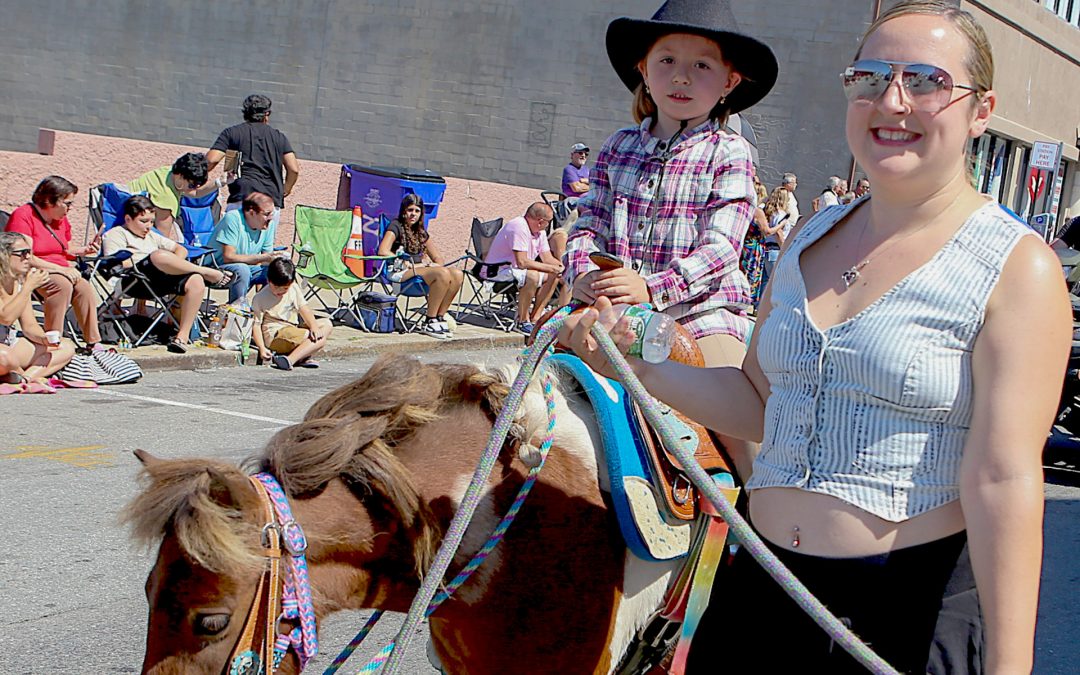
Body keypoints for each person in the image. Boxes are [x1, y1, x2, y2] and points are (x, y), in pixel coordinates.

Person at [561, 1, 1069, 672]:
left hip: (901, 615)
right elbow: (757, 400)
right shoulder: (807, 241)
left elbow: (1005, 480)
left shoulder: (1017, 266)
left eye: (926, 81)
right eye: (871, 78)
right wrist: (636, 361)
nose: (893, 100)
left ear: (981, 110)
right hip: (762, 595)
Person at [565, 0, 777, 368]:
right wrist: (582, 271)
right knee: (533, 375)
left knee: (733, 407)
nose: (681, 77)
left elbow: (722, 247)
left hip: (700, 313)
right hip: (612, 305)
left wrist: (652, 287)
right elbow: (589, 223)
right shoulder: (619, 145)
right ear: (644, 70)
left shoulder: (729, 151)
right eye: (667, 61)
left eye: (701, 65)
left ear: (729, 81)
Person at [102, 196, 234, 353]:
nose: (149, 227)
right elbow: (114, 263)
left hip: (160, 279)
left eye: (152, 221)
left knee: (195, 280)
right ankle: (206, 271)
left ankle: (182, 337)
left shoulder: (152, 236)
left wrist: (174, 263)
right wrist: (145, 258)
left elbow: (181, 249)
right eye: (143, 221)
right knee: (158, 255)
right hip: (135, 282)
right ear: (128, 219)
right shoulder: (116, 234)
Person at [4, 176, 103, 352]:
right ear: (50, 201)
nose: (70, 208)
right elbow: (27, 256)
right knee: (61, 285)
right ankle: (52, 338)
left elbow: (66, 248)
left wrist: (85, 250)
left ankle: (93, 342)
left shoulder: (60, 219)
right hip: (34, 269)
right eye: (67, 203)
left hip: (59, 267)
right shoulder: (24, 216)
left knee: (84, 287)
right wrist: (62, 269)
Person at [205, 94, 300, 230]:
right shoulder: (279, 137)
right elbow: (293, 169)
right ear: (266, 114)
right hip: (270, 201)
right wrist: (287, 188)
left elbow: (211, 159)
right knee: (264, 249)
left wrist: (197, 179)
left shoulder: (232, 133)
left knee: (233, 247)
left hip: (242, 197)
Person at [376, 194, 464, 339]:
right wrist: (402, 260)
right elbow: (383, 250)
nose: (413, 214)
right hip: (400, 272)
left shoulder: (421, 232)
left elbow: (438, 257)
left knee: (457, 274)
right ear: (404, 211)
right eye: (410, 210)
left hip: (419, 270)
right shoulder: (395, 226)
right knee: (441, 274)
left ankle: (439, 316)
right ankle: (429, 320)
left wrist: (434, 264)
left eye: (417, 211)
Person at [0, 232, 76, 394]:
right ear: (4, 256)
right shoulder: (22, 284)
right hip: (4, 351)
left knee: (66, 347)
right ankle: (17, 374)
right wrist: (28, 287)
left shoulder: (19, 282)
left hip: (8, 342)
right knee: (4, 356)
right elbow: (5, 317)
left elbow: (29, 326)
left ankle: (24, 379)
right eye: (23, 253)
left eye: (30, 252)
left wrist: (44, 339)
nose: (28, 257)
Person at [482, 202, 563, 334]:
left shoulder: (539, 232)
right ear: (540, 221)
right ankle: (521, 321)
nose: (549, 225)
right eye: (549, 222)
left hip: (516, 272)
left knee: (554, 275)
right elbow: (522, 262)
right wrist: (551, 268)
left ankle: (535, 318)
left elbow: (547, 258)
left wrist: (561, 267)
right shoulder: (518, 226)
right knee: (532, 275)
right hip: (496, 272)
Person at [250, 258, 332, 371]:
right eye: (276, 287)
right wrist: (262, 348)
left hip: (293, 330)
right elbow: (256, 325)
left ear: (292, 282)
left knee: (326, 324)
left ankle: (300, 356)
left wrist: (314, 326)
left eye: (284, 288)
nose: (279, 291)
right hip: (276, 335)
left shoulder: (294, 289)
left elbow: (304, 309)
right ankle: (291, 359)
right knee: (318, 339)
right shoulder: (260, 298)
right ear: (268, 280)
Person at [125, 152, 224, 241]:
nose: (193, 188)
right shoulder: (166, 200)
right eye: (191, 185)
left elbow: (195, 193)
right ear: (180, 176)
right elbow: (162, 239)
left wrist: (218, 183)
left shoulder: (166, 172)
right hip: (132, 237)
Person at [209, 191, 283, 303]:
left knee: (278, 271)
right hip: (216, 268)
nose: (271, 218)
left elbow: (265, 262)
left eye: (272, 214)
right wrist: (263, 258)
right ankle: (236, 311)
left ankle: (265, 308)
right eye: (267, 214)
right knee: (243, 269)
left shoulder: (268, 225)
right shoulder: (233, 219)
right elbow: (228, 257)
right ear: (251, 213)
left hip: (245, 269)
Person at [740, 177, 768, 309]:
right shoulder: (758, 211)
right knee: (753, 273)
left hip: (745, 242)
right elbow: (766, 230)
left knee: (743, 270)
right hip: (755, 244)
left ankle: (741, 297)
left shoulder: (745, 207)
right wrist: (781, 224)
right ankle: (748, 300)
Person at [779, 171, 800, 236]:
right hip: (786, 227)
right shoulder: (782, 194)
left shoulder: (790, 194)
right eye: (794, 183)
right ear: (788, 184)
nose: (796, 184)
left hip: (793, 226)